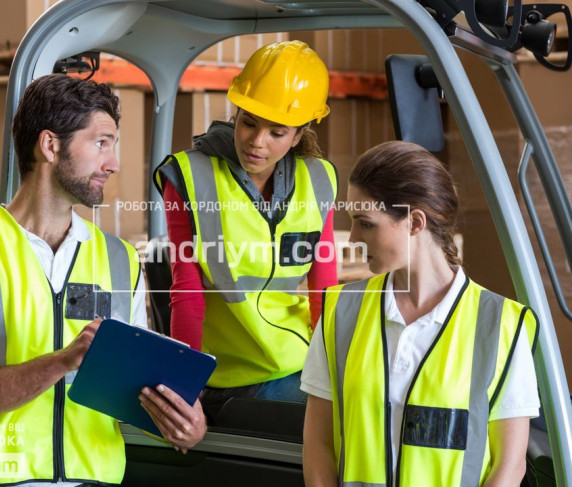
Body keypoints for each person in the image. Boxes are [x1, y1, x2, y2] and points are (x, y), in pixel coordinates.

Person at [0, 74, 206, 486]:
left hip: (95, 479)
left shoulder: (121, 259)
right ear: (51, 145)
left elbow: (135, 391)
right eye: (100, 143)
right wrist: (62, 360)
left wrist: (183, 422)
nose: (113, 163)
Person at [301, 141, 540, 487]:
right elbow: (318, 444)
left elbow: (509, 465)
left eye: (365, 223)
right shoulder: (341, 312)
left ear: (414, 222)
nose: (352, 237)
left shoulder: (502, 326)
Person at [154, 40, 339, 420]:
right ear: (236, 113)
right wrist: (186, 385)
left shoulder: (319, 180)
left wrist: (331, 371)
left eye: (277, 132)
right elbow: (186, 292)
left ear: (299, 134)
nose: (256, 142)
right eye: (249, 123)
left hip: (294, 365)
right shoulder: (190, 176)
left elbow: (324, 291)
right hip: (223, 375)